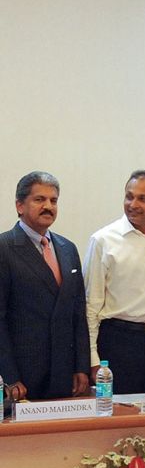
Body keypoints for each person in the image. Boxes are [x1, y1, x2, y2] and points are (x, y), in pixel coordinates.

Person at [83, 170, 145, 393]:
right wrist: (92, 359)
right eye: (129, 196)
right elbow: (91, 305)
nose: (133, 204)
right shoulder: (103, 240)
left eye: (142, 199)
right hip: (117, 343)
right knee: (117, 418)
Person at [0, 171, 90, 400]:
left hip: (63, 374)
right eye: (39, 200)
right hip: (22, 377)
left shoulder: (68, 249)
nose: (48, 206)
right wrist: (9, 376)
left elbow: (78, 314)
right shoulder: (4, 247)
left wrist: (81, 367)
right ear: (20, 205)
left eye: (53, 200)